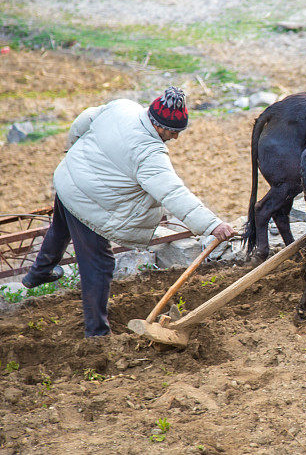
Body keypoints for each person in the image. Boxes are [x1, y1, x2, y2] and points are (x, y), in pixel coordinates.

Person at [22, 87, 235, 337]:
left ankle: (39, 272)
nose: (175, 139)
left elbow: (85, 119)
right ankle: (97, 334)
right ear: (161, 127)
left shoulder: (124, 107)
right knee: (99, 265)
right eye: (174, 132)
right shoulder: (148, 153)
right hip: (89, 201)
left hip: (69, 177)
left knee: (60, 228)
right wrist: (213, 225)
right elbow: (173, 193)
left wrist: (73, 152)